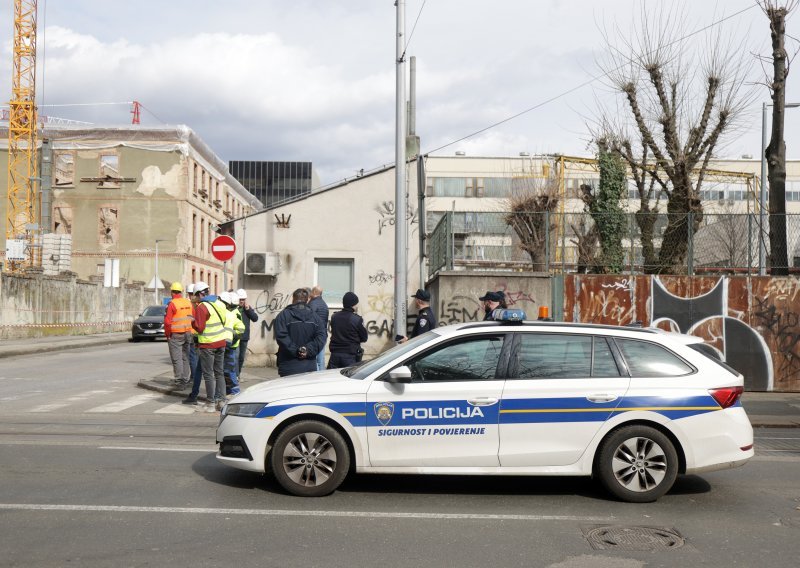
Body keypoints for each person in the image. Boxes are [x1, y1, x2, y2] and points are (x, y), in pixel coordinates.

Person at [192, 281, 229, 410]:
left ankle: (210, 403)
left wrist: (193, 322)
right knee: (219, 372)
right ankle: (222, 401)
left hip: (208, 344)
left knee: (208, 374)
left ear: (200, 294)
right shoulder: (220, 303)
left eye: (195, 295)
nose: (195, 298)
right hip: (221, 342)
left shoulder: (202, 307)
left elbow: (200, 328)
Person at [274, 288, 326, 377]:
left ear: (293, 299)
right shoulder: (316, 317)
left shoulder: (283, 315)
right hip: (306, 367)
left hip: (289, 366)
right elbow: (321, 337)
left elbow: (281, 337)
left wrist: (304, 350)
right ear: (307, 300)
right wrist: (303, 350)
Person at [164, 281, 193, 387]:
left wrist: (167, 335)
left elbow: (167, 322)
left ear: (172, 292)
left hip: (176, 335)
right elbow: (192, 317)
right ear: (181, 292)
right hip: (188, 333)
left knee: (177, 358)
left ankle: (179, 381)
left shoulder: (172, 304)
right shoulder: (188, 302)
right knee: (185, 357)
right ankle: (185, 379)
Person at [327, 292, 368, 369]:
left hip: (334, 356)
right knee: (348, 379)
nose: (357, 306)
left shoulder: (334, 317)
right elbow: (364, 338)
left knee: (332, 379)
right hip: (349, 357)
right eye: (356, 304)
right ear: (353, 304)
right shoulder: (356, 319)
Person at [182, 284, 205, 405]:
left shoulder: (199, 306)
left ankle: (211, 399)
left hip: (202, 340)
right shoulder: (203, 305)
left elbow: (199, 325)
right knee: (203, 370)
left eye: (192, 295)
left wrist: (193, 324)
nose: (191, 297)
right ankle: (195, 395)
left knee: (207, 371)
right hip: (200, 339)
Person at [220, 292, 245, 396]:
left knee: (229, 369)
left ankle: (234, 390)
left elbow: (241, 328)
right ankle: (229, 390)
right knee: (227, 369)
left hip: (230, 345)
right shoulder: (234, 312)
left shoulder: (232, 313)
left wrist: (233, 335)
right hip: (229, 344)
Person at [236, 289, 258, 375]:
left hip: (244, 337)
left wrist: (248, 310)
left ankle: (239, 372)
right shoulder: (233, 308)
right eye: (240, 299)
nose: (242, 301)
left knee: (241, 357)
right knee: (236, 357)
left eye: (243, 299)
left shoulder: (247, 308)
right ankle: (236, 375)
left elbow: (255, 318)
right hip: (235, 336)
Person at [308, 285, 329, 371]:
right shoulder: (324, 304)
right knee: (321, 360)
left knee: (314, 360)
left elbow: (309, 320)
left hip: (314, 336)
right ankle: (322, 378)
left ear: (314, 292)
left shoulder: (312, 304)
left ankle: (316, 379)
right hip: (323, 335)